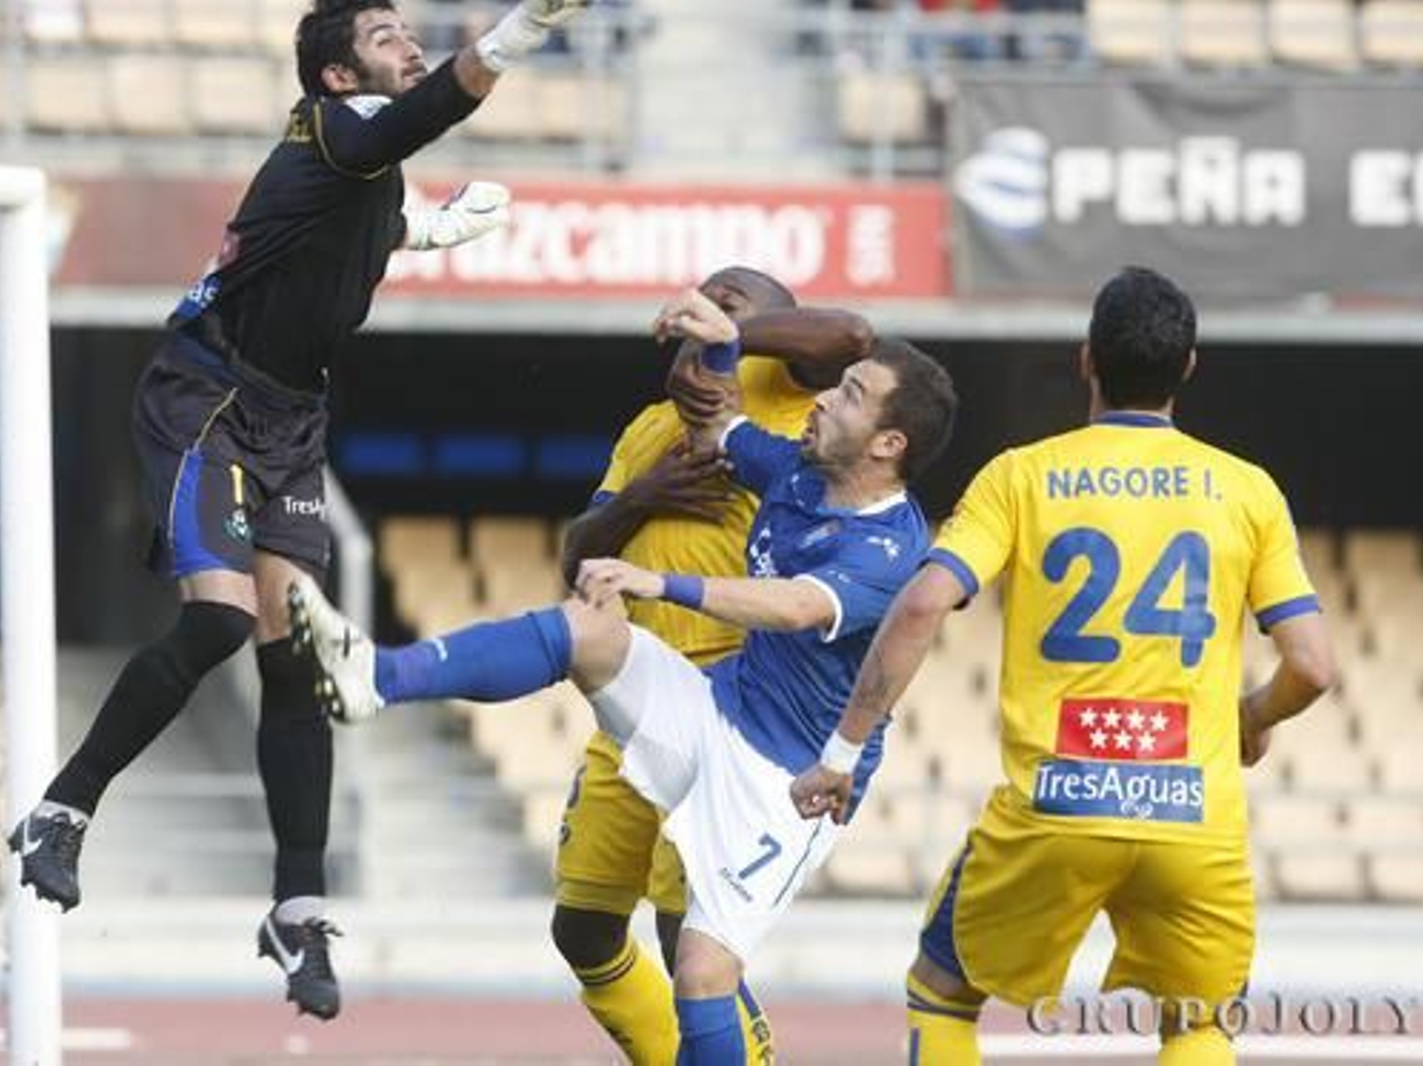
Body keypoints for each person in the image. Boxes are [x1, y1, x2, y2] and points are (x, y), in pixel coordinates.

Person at [6, 0, 589, 1021]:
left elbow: (346, 223)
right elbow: (392, 137)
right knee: (222, 617)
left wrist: (430, 230)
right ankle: (63, 806)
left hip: (292, 418)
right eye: (383, 38)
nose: (407, 43)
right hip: (209, 397)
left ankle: (296, 906)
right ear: (335, 78)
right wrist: (514, 35)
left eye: (409, 31)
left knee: (299, 655)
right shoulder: (329, 128)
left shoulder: (360, 163)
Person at [289, 287, 958, 1063]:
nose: (825, 401)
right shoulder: (799, 473)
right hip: (716, 706)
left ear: (888, 446)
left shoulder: (890, 550)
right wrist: (720, 342)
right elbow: (719, 426)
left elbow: (795, 607)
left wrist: (662, 583)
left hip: (785, 779)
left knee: (703, 972)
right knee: (587, 633)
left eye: (848, 396)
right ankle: (378, 675)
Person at [791, 266, 1338, 1066]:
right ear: (1188, 368)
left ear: (1086, 360)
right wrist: (1252, 716)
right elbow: (1315, 667)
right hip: (1193, 817)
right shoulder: (1247, 491)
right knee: (1199, 1023)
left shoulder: (1021, 476)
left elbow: (917, 606)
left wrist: (841, 752)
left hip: (1052, 808)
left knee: (941, 992)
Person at [553, 266, 874, 1065]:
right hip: (634, 702)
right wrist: (642, 498)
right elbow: (576, 558)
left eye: (729, 302)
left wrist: (732, 338)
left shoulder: (801, 413)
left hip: (730, 708)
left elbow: (853, 335)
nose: (704, 309)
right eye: (700, 300)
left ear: (773, 329)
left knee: (688, 936)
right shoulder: (648, 428)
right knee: (583, 928)